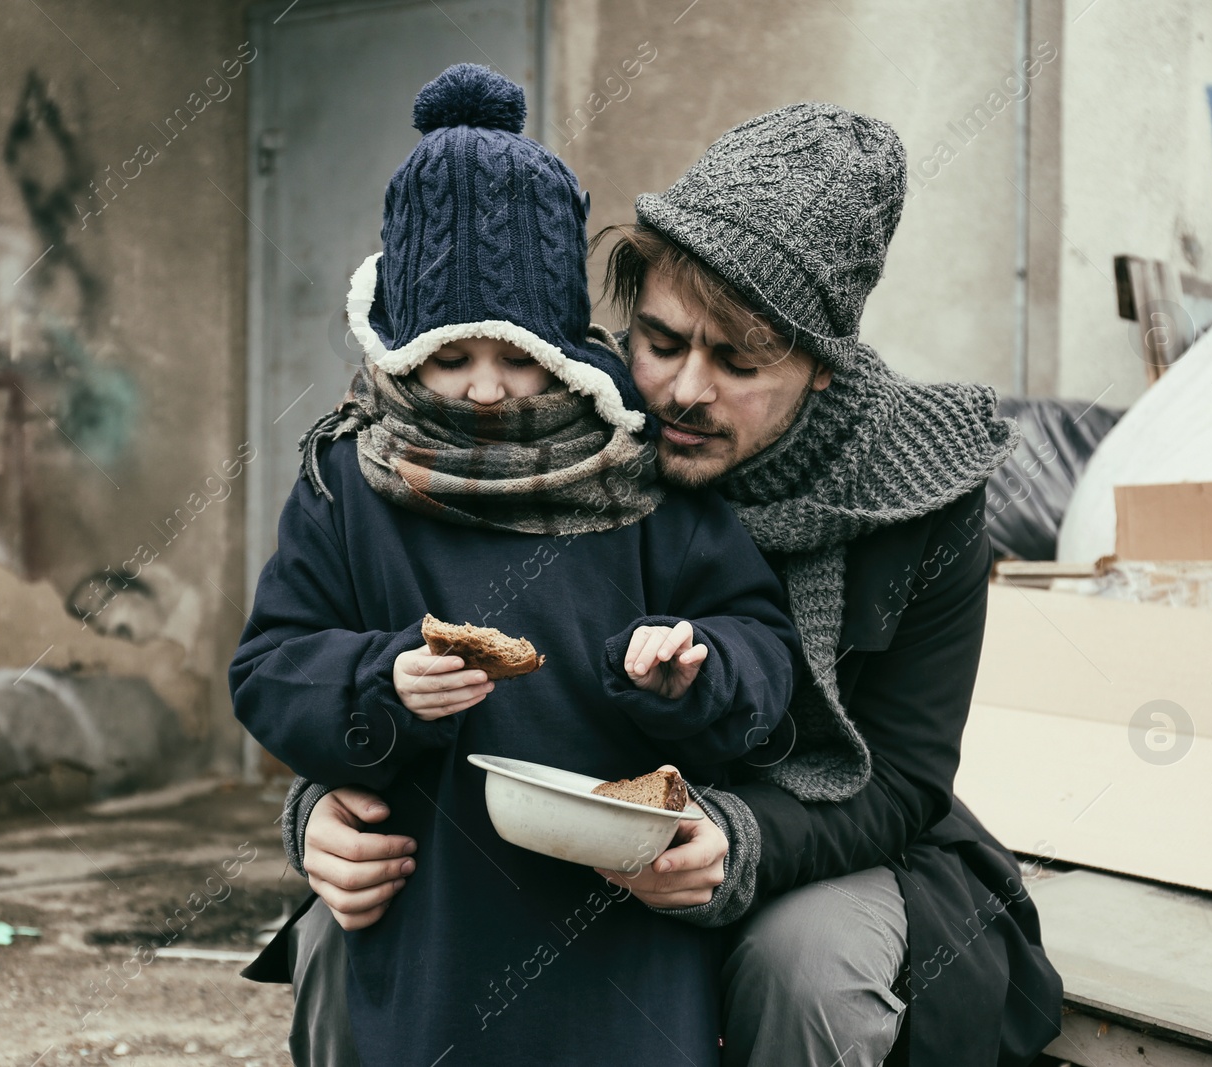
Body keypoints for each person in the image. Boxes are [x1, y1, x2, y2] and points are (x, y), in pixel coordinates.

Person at [269, 101, 1066, 1067]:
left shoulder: (919, 496)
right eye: (661, 339)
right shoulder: (577, 425)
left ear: (821, 366)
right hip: (576, 829)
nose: (685, 390)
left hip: (813, 830)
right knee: (330, 931)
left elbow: (902, 777)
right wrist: (320, 807)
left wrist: (739, 839)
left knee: (806, 966)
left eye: (738, 361)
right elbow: (385, 622)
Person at [229, 65, 801, 1067]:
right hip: (434, 925)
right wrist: (378, 680)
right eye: (450, 358)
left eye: (519, 354)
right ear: (399, 344)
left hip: (624, 930)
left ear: (567, 341)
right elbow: (270, 668)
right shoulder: (349, 480)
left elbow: (763, 649)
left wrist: (695, 664)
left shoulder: (644, 469)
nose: (487, 388)